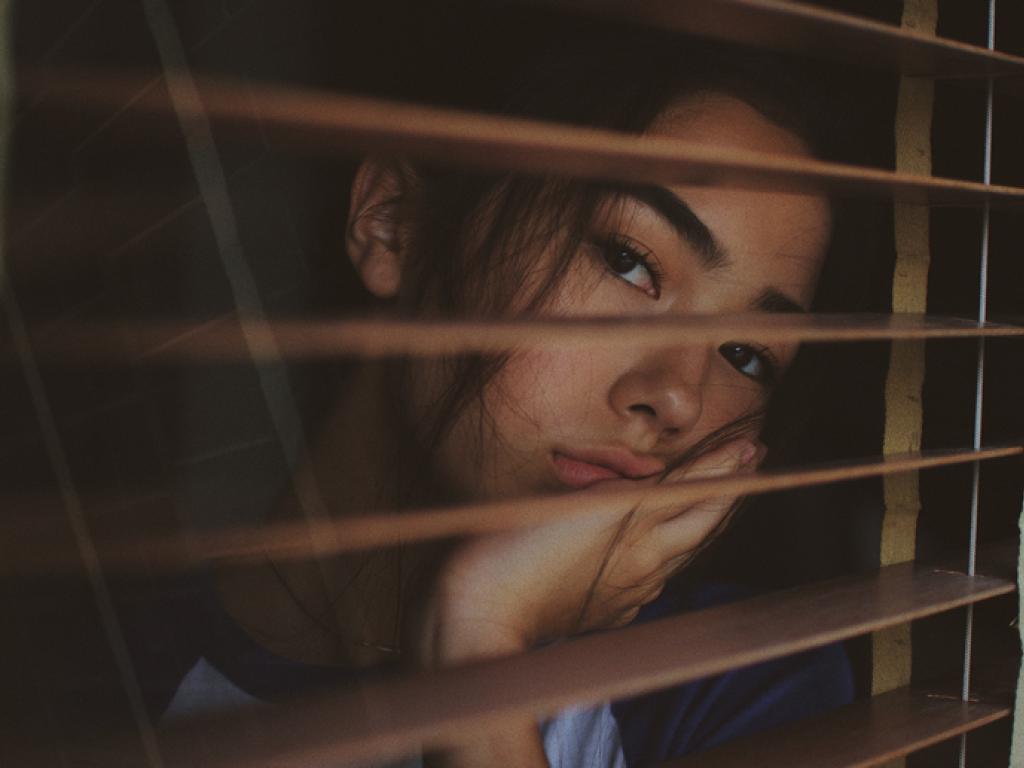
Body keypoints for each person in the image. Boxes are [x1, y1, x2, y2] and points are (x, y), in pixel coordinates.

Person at [151, 11, 876, 767]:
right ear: (395, 225)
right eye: (629, 261)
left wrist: (478, 639)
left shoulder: (736, 690)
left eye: (746, 353)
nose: (679, 398)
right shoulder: (95, 668)